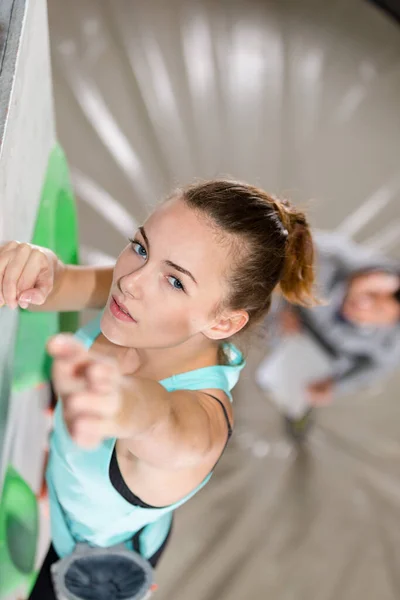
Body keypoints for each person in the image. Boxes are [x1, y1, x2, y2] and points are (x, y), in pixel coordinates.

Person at [0, 180, 315, 599]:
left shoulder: (202, 424)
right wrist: (35, 264)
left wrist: (124, 404)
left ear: (222, 323)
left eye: (176, 282)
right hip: (65, 505)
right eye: (141, 247)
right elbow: (57, 284)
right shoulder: (133, 301)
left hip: (85, 571)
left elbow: (166, 423)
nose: (132, 280)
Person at [256, 230, 400, 442]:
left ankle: (298, 411)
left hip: (324, 365)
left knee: (299, 394)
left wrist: (335, 386)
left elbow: (375, 369)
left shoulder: (392, 343)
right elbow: (278, 257)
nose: (364, 305)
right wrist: (283, 308)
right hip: (291, 324)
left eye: (377, 311)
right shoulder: (326, 258)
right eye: (370, 293)